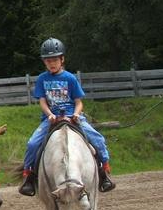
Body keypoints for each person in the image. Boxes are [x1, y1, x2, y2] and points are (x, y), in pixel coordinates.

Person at [19, 37, 116, 196]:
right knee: (32, 143)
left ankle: (104, 171)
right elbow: (42, 102)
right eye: (48, 60)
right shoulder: (43, 79)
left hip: (72, 116)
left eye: (55, 60)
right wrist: (49, 115)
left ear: (62, 59)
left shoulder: (70, 78)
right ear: (44, 62)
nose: (51, 63)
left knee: (97, 138)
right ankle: (29, 176)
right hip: (51, 119)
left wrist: (77, 114)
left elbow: (79, 102)